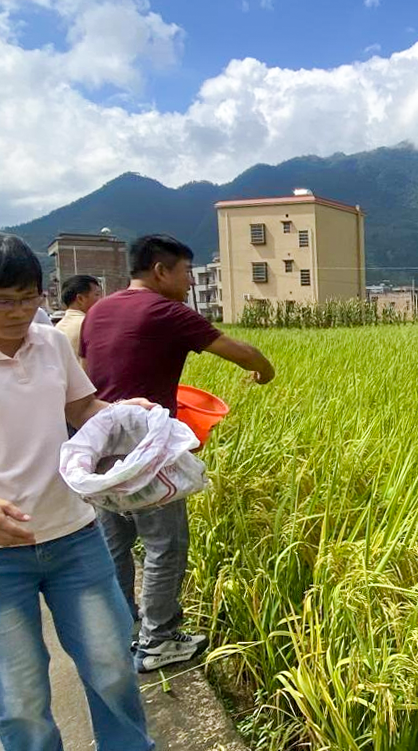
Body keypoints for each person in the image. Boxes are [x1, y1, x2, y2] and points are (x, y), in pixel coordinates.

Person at [0, 233, 155, 751]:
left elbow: (83, 412)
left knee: (112, 667)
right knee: (17, 697)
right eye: (1, 300)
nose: (19, 312)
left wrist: (128, 414)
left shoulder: (49, 343)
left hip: (73, 536)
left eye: (29, 297)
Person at [81, 233, 276, 673]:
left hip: (99, 442)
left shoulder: (99, 311)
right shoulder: (167, 310)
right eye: (186, 271)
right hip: (146, 447)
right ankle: (159, 641)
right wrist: (265, 370)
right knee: (165, 545)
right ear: (160, 271)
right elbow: (238, 352)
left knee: (115, 542)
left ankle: (119, 630)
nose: (190, 281)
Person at [55, 274, 103, 358]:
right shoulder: (89, 325)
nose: (101, 299)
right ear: (80, 299)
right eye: (97, 294)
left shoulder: (58, 328)